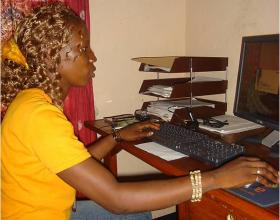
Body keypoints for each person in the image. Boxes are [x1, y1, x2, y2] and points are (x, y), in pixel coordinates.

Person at [1, 3, 278, 220]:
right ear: (55, 60)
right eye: (83, 48)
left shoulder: (32, 104)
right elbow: (117, 200)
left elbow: (70, 165)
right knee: (135, 212)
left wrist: (117, 137)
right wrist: (217, 178)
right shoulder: (39, 116)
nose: (93, 56)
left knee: (142, 214)